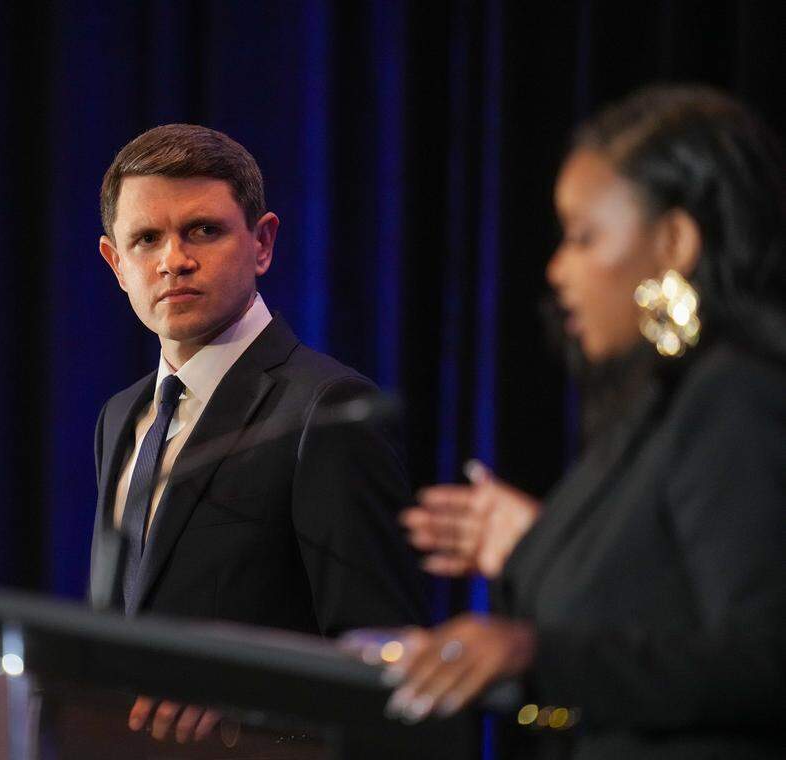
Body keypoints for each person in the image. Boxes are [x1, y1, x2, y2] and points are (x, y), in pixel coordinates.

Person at [373, 86, 786, 758]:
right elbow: (645, 621)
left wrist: (531, 653)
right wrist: (539, 547)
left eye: (584, 237)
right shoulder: (653, 406)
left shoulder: (735, 395)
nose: (557, 269)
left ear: (674, 240)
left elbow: (764, 657)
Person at [91, 124, 429, 742]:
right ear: (116, 262)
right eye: (146, 239)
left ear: (263, 243)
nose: (174, 260)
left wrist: (250, 694)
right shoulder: (121, 416)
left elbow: (386, 650)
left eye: (203, 230)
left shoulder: (325, 409)